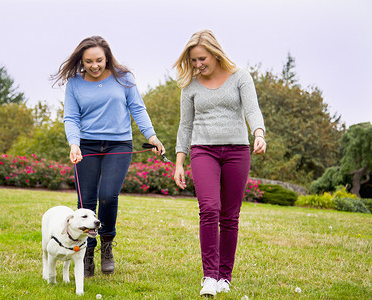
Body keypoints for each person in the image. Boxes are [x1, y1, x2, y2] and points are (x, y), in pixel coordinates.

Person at [52, 36, 165, 277]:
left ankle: (106, 245)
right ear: (81, 61)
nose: (94, 66)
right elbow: (71, 117)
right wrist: (74, 144)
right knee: (87, 202)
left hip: (118, 144)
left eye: (99, 60)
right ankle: (87, 251)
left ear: (107, 57)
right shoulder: (75, 84)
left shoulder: (123, 78)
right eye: (89, 61)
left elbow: (137, 108)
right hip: (87, 146)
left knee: (108, 195)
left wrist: (152, 136)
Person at [173, 30, 266, 297]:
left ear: (215, 53)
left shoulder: (240, 76)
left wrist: (259, 133)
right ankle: (209, 277)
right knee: (209, 209)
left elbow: (252, 109)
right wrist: (179, 162)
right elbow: (185, 125)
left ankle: (225, 277)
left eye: (201, 59)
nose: (197, 65)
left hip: (238, 150)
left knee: (230, 216)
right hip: (203, 151)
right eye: (192, 60)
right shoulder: (189, 85)